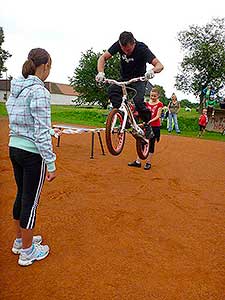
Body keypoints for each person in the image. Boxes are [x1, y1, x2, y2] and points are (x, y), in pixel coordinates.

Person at [6, 48, 61, 266]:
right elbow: (39, 130)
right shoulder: (40, 91)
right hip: (32, 153)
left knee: (21, 195)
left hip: (15, 147)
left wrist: (46, 130)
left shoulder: (17, 88)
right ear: (45, 66)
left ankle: (20, 240)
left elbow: (24, 121)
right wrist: (51, 162)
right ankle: (28, 252)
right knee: (31, 199)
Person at [96, 31, 164, 131]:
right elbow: (103, 57)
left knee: (138, 102)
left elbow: (160, 65)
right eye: (124, 50)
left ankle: (147, 124)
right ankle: (124, 117)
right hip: (125, 79)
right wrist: (100, 73)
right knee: (112, 91)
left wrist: (152, 71)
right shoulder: (118, 45)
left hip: (139, 79)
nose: (126, 53)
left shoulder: (142, 48)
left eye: (128, 50)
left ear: (133, 43)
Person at [128, 87, 163, 170]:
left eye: (154, 96)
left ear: (158, 96)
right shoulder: (147, 103)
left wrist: (150, 121)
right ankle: (138, 161)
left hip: (155, 126)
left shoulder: (160, 104)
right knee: (142, 142)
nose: (152, 97)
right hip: (146, 125)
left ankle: (148, 162)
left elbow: (158, 116)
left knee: (151, 144)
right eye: (151, 95)